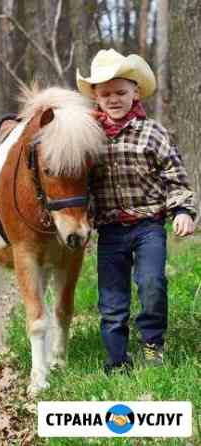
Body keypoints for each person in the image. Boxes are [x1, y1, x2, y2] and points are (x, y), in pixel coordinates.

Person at [76, 49, 196, 374]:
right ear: (96, 98)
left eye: (120, 92)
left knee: (151, 283)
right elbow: (78, 184)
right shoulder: (88, 137)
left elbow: (175, 174)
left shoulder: (153, 132)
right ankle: (117, 360)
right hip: (111, 230)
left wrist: (183, 210)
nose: (113, 99)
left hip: (148, 226)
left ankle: (152, 343)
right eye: (106, 94)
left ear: (135, 93)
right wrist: (80, 221)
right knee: (112, 299)